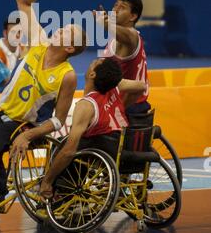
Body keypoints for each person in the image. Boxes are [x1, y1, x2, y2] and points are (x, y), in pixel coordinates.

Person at [0, 0, 87, 208]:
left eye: (66, 31)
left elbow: (58, 120)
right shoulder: (38, 42)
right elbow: (22, 0)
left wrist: (29, 135)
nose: (59, 29)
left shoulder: (67, 75)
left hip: (27, 124)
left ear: (70, 47)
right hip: (4, 117)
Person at [39, 57, 146, 200]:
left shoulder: (86, 106)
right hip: (126, 148)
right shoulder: (114, 88)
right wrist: (122, 102)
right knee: (78, 143)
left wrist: (47, 180)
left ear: (92, 74)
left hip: (106, 152)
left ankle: (61, 191)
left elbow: (69, 151)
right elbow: (142, 86)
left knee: (63, 146)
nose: (93, 61)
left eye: (95, 63)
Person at [95, 0, 150, 115]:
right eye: (115, 5)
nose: (115, 10)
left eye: (122, 7)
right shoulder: (114, 37)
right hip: (116, 103)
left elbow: (128, 36)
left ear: (132, 17)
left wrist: (106, 24)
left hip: (131, 108)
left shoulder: (132, 37)